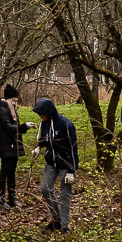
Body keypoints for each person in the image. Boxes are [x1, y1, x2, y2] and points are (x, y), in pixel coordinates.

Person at [33, 98, 78, 233]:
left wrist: (71, 170)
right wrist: (39, 147)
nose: (41, 117)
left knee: (64, 194)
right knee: (45, 189)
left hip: (65, 163)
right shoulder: (45, 122)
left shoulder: (66, 125)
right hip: (51, 162)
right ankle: (56, 219)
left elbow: (73, 149)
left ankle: (65, 226)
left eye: (42, 114)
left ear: (49, 112)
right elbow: (45, 138)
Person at [0, 84, 32, 209]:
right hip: (7, 145)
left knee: (12, 173)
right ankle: (1, 199)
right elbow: (9, 128)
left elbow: (15, 128)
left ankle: (12, 199)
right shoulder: (2, 110)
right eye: (15, 97)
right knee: (4, 173)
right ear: (9, 98)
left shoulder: (12, 109)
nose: (17, 99)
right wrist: (24, 127)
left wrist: (22, 128)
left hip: (14, 145)